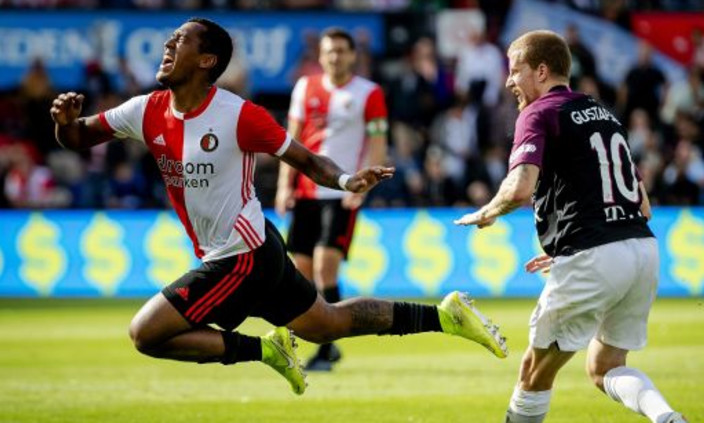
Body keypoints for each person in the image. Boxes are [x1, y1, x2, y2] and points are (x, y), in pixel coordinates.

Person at [50, 18, 507, 396]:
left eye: (180, 40)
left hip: (241, 255)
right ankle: (445, 316)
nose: (168, 45)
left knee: (145, 333)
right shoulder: (145, 110)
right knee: (326, 323)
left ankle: (265, 351)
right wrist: (64, 124)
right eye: (170, 40)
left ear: (206, 61)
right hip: (250, 249)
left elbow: (306, 159)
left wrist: (347, 180)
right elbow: (78, 137)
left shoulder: (238, 114)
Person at [455, 30, 687, 423]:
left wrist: (488, 211)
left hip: (595, 254)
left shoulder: (538, 113)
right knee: (605, 367)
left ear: (541, 71)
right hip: (642, 252)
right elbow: (642, 206)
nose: (509, 82)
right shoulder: (604, 114)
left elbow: (520, 188)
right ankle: (667, 418)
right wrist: (575, 240)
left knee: (534, 372)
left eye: (515, 71)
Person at [275, 28, 389, 371]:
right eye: (329, 51)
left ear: (352, 55)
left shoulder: (369, 93)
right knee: (302, 272)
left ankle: (326, 348)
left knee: (325, 266)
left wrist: (365, 186)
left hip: (342, 192)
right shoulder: (304, 87)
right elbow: (291, 140)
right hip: (306, 192)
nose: (335, 57)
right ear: (321, 56)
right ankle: (316, 342)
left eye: (341, 51)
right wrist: (284, 185)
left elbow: (377, 141)